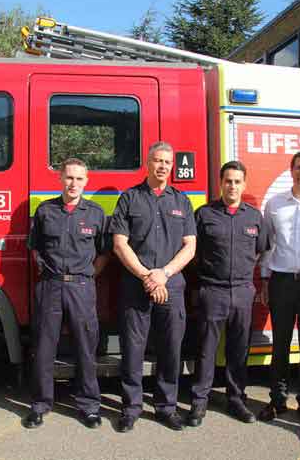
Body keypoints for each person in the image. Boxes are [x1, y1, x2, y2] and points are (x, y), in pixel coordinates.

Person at [109, 141, 196, 432]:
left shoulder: (182, 202)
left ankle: (165, 407)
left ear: (172, 166)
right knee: (133, 350)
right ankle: (131, 408)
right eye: (157, 161)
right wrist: (148, 276)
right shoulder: (129, 198)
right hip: (137, 287)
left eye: (167, 162)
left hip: (171, 287)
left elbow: (190, 247)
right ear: (148, 163)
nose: (162, 166)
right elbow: (119, 245)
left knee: (171, 349)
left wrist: (164, 274)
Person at [24, 158, 108, 429]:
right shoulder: (45, 211)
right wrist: (46, 271)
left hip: (81, 287)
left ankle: (89, 406)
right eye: (69, 178)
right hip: (50, 286)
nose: (74, 184)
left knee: (85, 347)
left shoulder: (95, 213)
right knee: (44, 347)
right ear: (60, 179)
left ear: (86, 181)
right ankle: (40, 404)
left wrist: (88, 275)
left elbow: (104, 252)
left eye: (79, 179)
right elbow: (34, 247)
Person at [186, 161, 268, 427]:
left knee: (238, 350)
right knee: (206, 350)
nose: (232, 186)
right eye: (228, 181)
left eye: (237, 181)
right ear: (220, 183)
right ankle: (199, 402)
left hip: (243, 291)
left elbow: (259, 250)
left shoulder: (255, 217)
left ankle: (237, 399)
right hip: (213, 290)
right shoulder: (204, 214)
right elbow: (193, 253)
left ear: (244, 185)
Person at [258, 151, 300, 423]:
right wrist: (264, 280)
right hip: (282, 282)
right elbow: (267, 246)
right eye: (299, 168)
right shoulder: (274, 204)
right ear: (291, 170)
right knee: (280, 346)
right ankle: (277, 400)